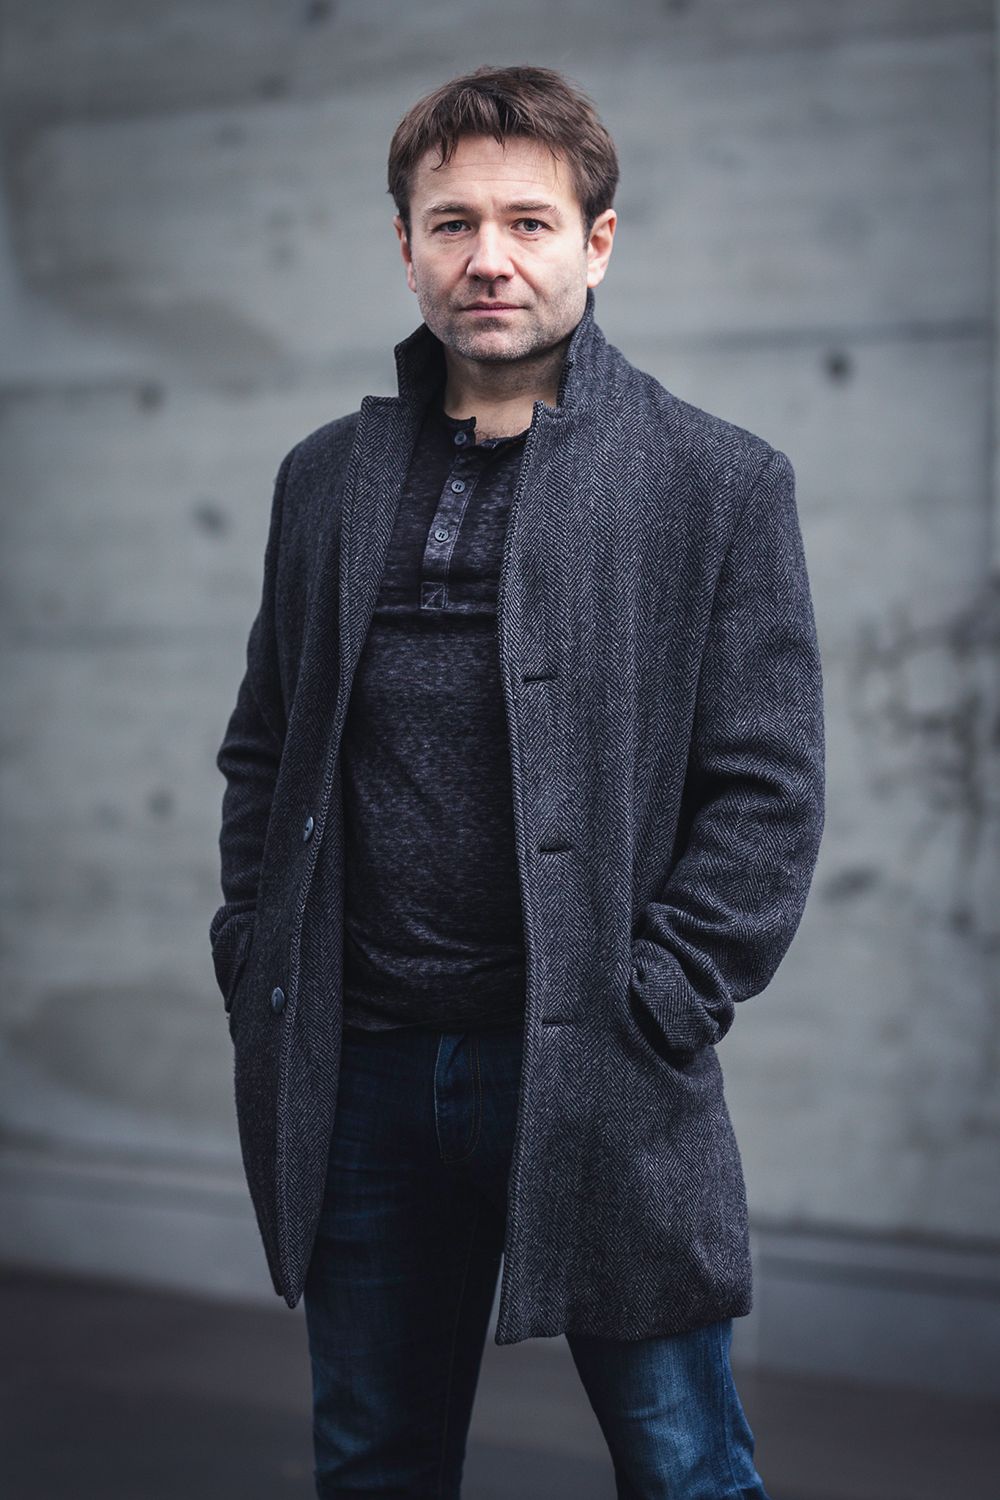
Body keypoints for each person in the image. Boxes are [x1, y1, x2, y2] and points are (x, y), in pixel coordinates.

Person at [210, 63, 825, 1499]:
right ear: (406, 246)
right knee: (375, 1461)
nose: (489, 257)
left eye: (530, 223)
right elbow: (265, 743)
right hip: (359, 1063)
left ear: (596, 244)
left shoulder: (715, 479)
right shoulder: (325, 479)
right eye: (453, 223)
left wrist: (667, 996)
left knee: (684, 1467)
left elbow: (768, 783)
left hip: (599, 1059)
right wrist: (254, 943)